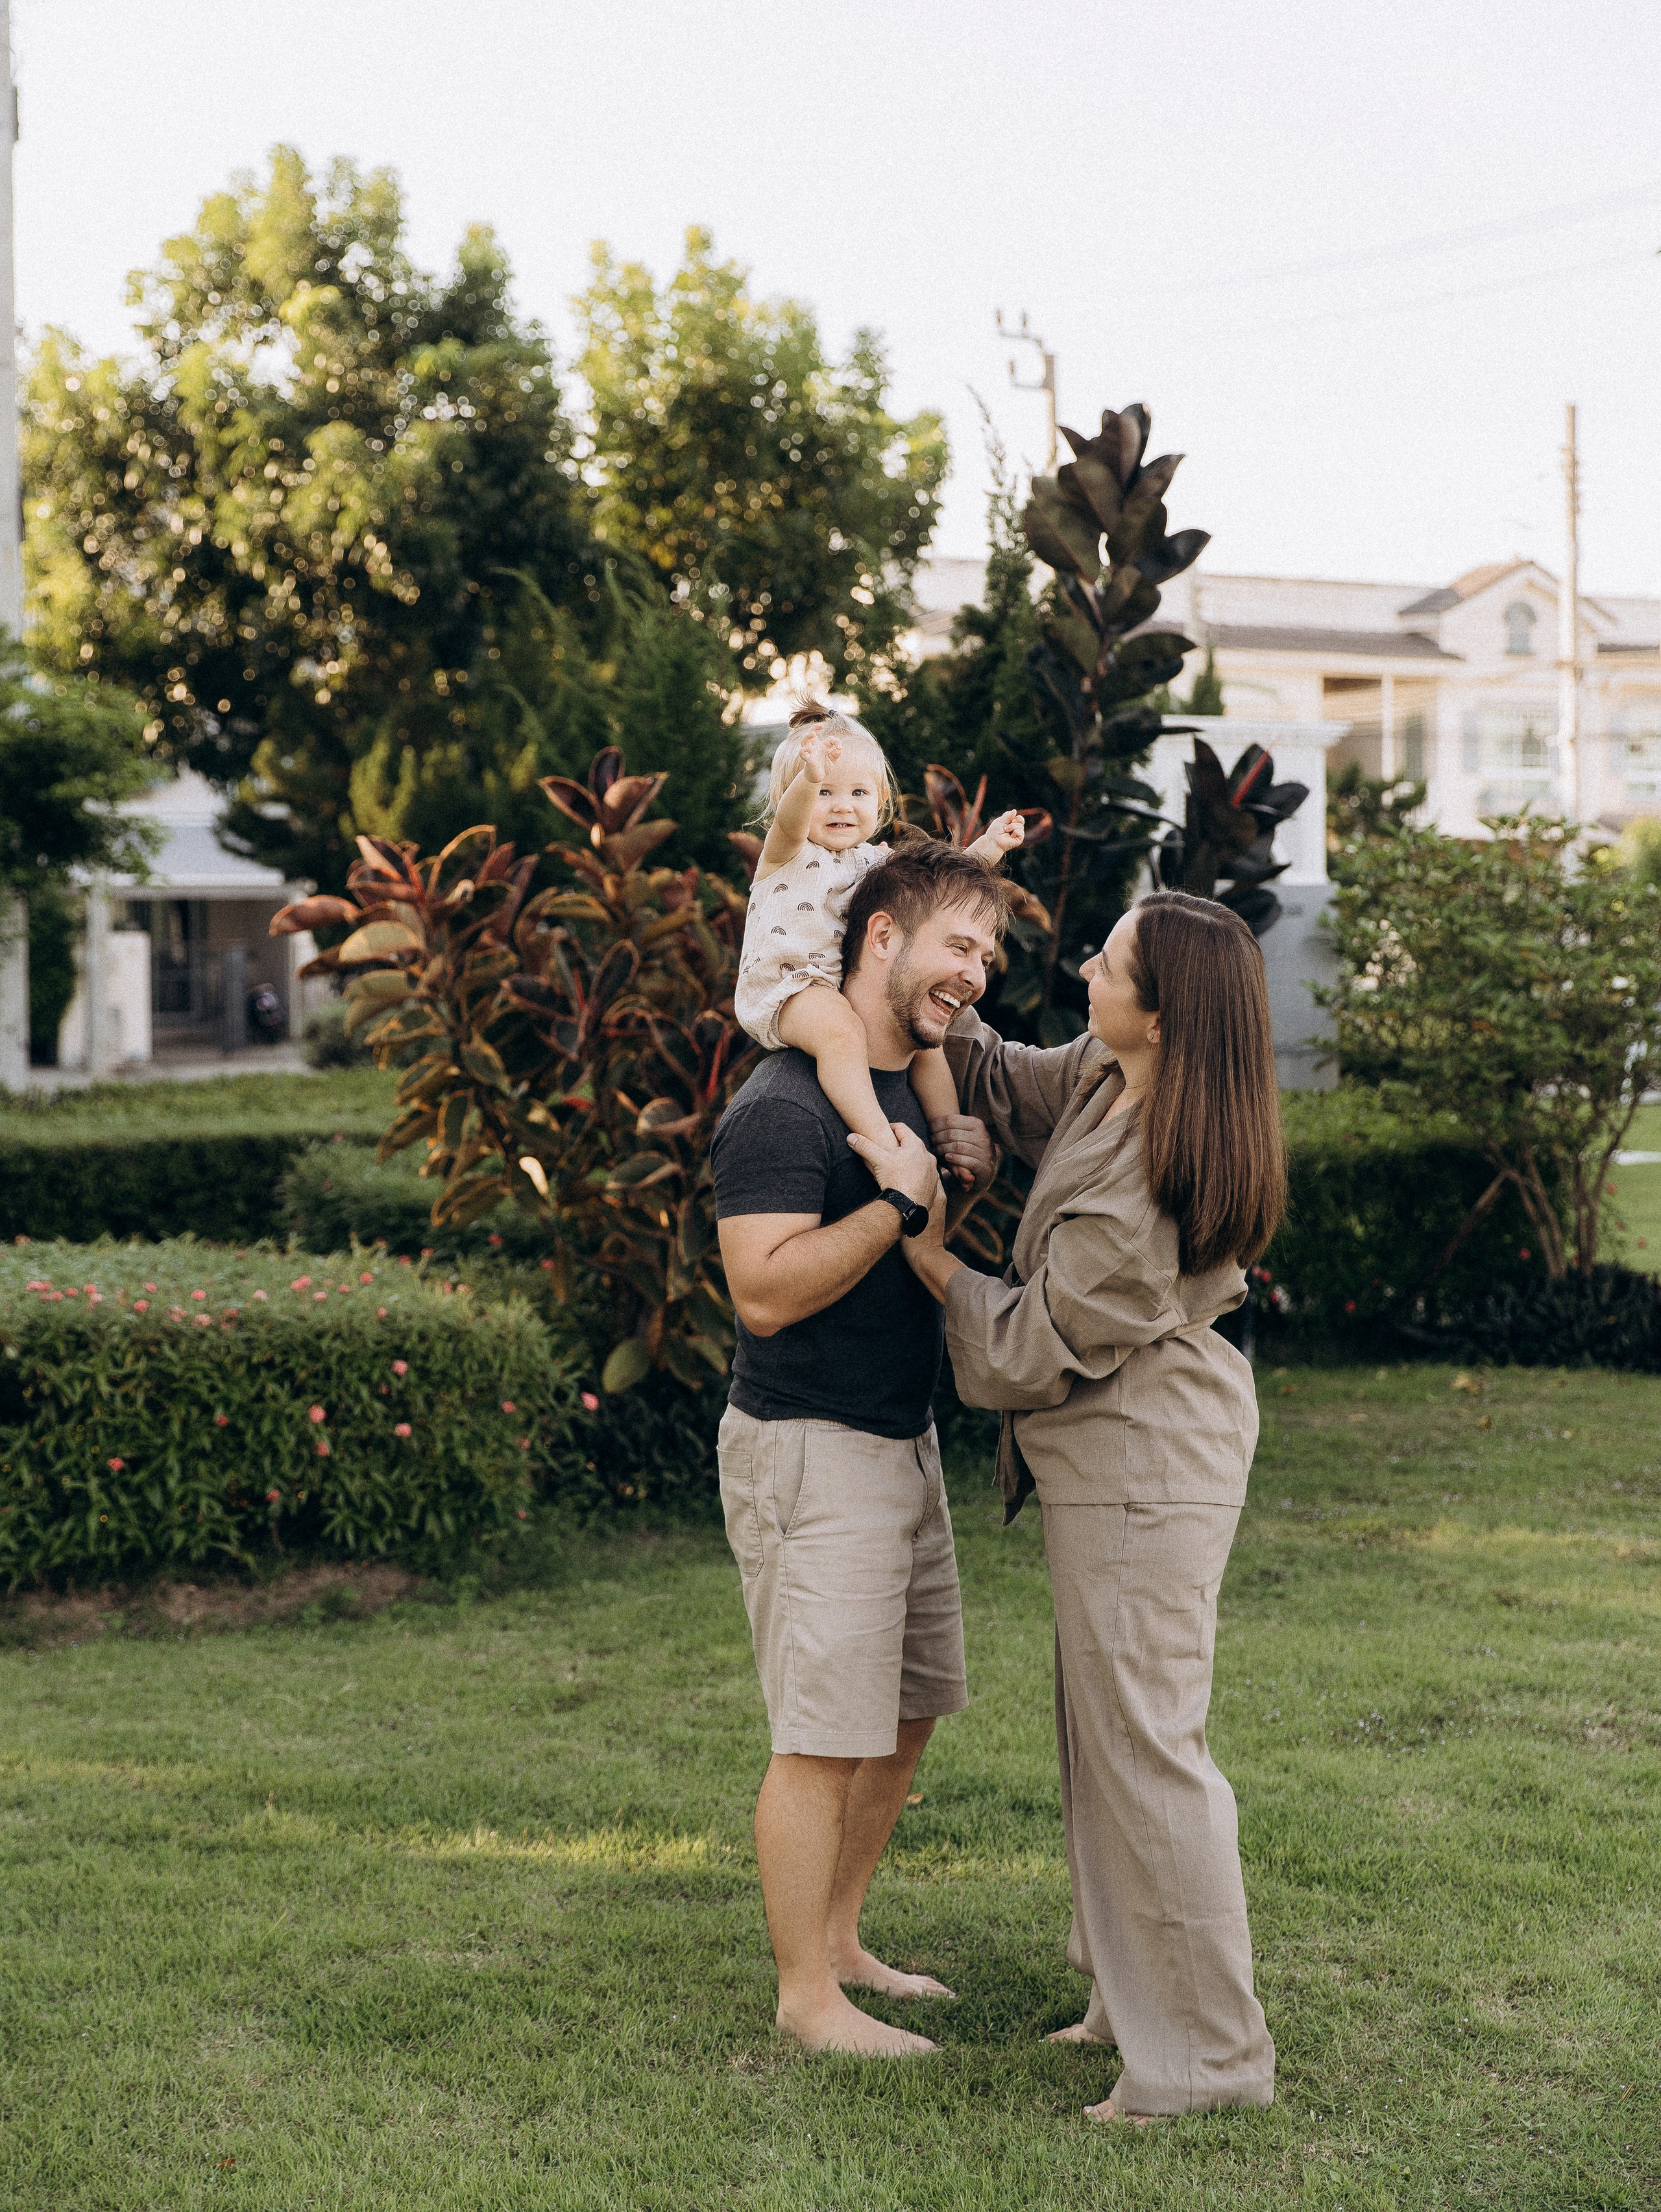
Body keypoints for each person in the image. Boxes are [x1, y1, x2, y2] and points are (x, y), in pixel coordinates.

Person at [867, 889, 1285, 2121]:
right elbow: (999, 1071)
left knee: (1150, 1750)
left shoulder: (1152, 1182)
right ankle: (1127, 1995)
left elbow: (1025, 1344)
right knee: (1104, 1740)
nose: (1084, 976)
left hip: (1149, 1458)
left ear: (1163, 1016)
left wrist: (921, 1240)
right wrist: (940, 941)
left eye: (1105, 965)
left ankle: (1206, 2061)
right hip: (1113, 1454)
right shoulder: (1118, 1069)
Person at [713, 839, 1008, 2056]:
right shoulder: (784, 1106)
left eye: (989, 954)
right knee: (823, 1735)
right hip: (809, 1447)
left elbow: (920, 1242)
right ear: (879, 937)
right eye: (959, 945)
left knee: (904, 1715)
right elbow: (767, 1295)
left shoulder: (902, 1094)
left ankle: (841, 1942)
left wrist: (950, 1187)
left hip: (901, 1437)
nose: (977, 974)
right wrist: (893, 1205)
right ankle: (804, 2001)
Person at [734, 696, 1023, 1184]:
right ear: (793, 797)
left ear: (882, 802)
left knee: (925, 1045)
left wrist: (989, 847)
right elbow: (788, 821)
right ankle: (886, 1151)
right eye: (825, 792)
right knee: (841, 1032)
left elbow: (941, 892)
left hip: (836, 986)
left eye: (859, 793)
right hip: (787, 990)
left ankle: (947, 1143)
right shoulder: (786, 852)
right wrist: (808, 777)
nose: (843, 805)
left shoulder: (874, 863)